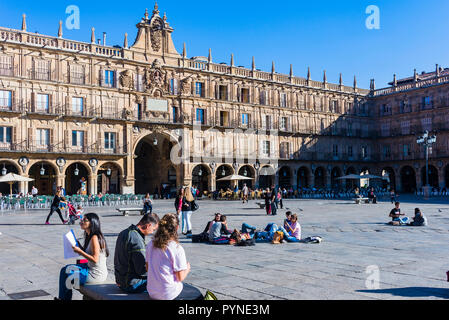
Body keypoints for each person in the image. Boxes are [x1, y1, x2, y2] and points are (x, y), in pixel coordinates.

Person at [145, 214, 203, 300]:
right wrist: (187, 269)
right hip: (168, 294)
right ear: (177, 228)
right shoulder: (176, 248)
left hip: (152, 292)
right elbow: (180, 277)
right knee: (199, 296)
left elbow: (147, 268)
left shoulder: (150, 244)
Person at [57, 213, 109, 300]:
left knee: (65, 272)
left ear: (92, 223)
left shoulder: (95, 238)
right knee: (66, 269)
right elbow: (88, 253)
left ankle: (64, 298)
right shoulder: (90, 236)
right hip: (90, 268)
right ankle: (65, 298)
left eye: (85, 220)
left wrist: (80, 251)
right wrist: (78, 246)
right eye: (82, 219)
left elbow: (95, 259)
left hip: (95, 274)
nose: (81, 221)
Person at [115, 213, 160, 293]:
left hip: (120, 280)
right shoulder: (137, 239)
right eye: (153, 229)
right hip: (131, 284)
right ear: (148, 225)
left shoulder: (124, 232)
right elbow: (142, 271)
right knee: (165, 285)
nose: (152, 232)